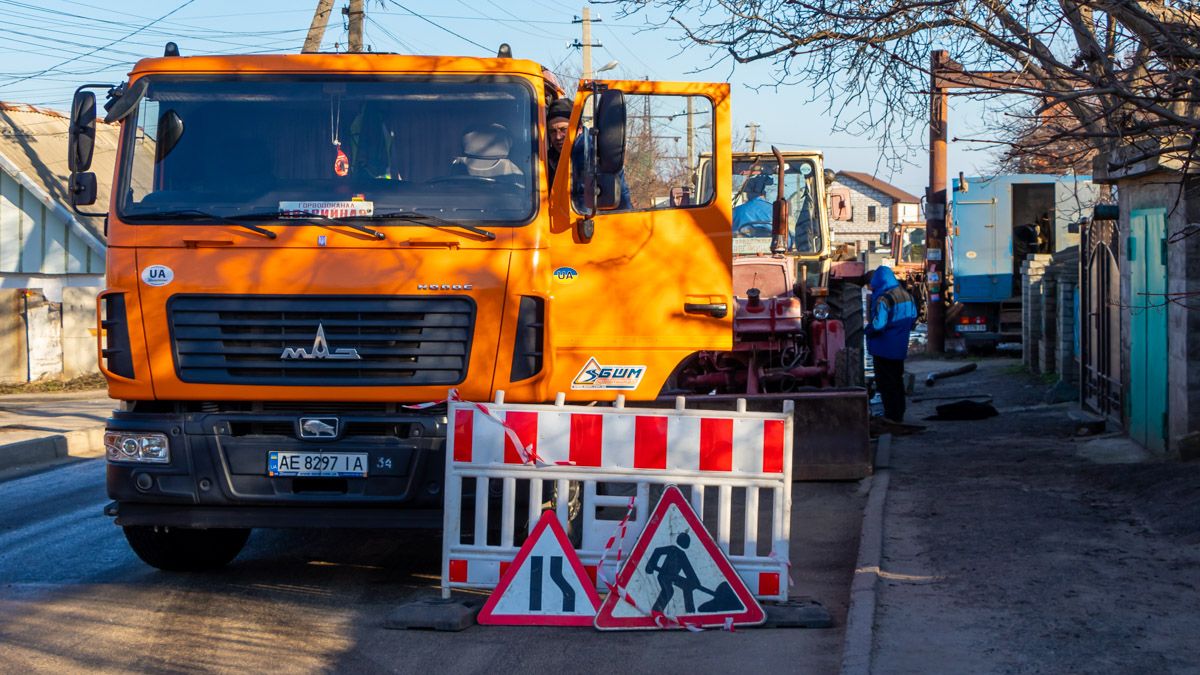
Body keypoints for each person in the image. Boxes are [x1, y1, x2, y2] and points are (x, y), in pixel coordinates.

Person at [867, 265, 918, 422]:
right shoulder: (906, 295)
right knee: (897, 380)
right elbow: (914, 317)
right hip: (900, 347)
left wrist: (868, 330)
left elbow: (879, 325)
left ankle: (891, 416)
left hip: (883, 349)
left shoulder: (885, 298)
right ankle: (898, 413)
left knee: (885, 384)